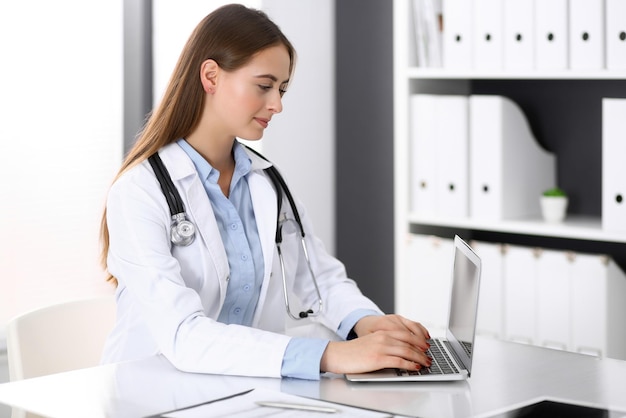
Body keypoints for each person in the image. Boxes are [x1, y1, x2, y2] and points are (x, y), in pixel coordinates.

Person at [99, 3, 431, 380]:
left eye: (282, 89)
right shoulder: (138, 194)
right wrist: (330, 356)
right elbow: (182, 334)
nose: (277, 104)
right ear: (211, 76)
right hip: (149, 393)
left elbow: (318, 279)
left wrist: (368, 323)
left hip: (240, 389)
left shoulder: (266, 182)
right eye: (264, 86)